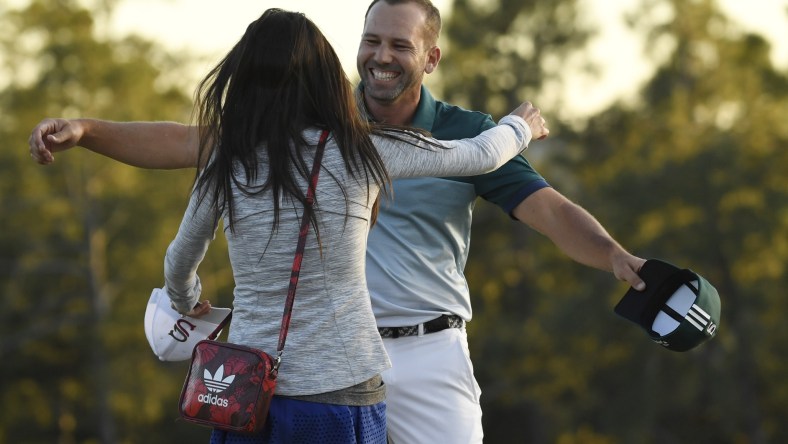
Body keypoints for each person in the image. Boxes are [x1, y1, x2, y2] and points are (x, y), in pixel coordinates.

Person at [28, 1, 637, 443]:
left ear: (431, 56)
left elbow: (547, 205)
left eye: (399, 44)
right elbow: (182, 140)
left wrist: (613, 254)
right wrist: (521, 125)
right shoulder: (349, 139)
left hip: (408, 353)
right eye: (371, 39)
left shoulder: (260, 140)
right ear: (345, 51)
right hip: (344, 376)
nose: (381, 55)